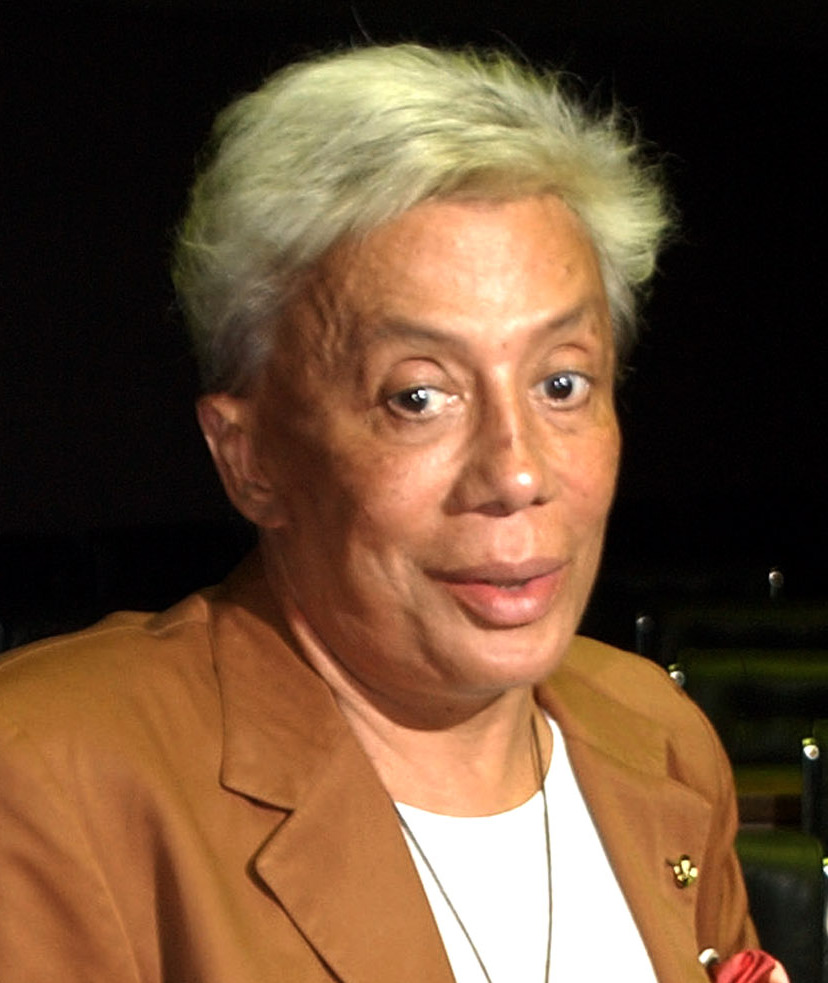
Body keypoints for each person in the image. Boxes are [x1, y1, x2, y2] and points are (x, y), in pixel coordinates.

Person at [0, 44, 787, 982]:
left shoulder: (659, 735)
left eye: (562, 383)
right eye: (419, 396)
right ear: (250, 458)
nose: (516, 471)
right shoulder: (51, 776)